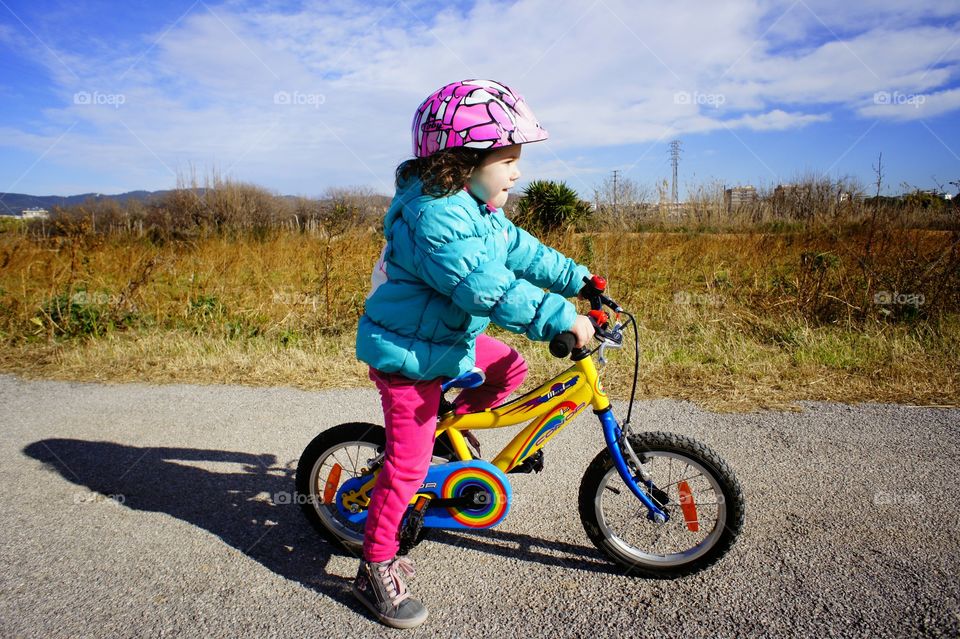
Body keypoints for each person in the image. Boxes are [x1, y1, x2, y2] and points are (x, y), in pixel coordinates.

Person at [353, 79, 595, 629]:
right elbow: (486, 288)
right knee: (408, 467)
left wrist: (580, 281)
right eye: (508, 159)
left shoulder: (479, 211)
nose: (517, 172)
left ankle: (447, 429)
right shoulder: (435, 218)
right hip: (408, 355)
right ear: (463, 161)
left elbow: (523, 252)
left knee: (511, 366)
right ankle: (374, 565)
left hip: (446, 342)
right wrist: (561, 319)